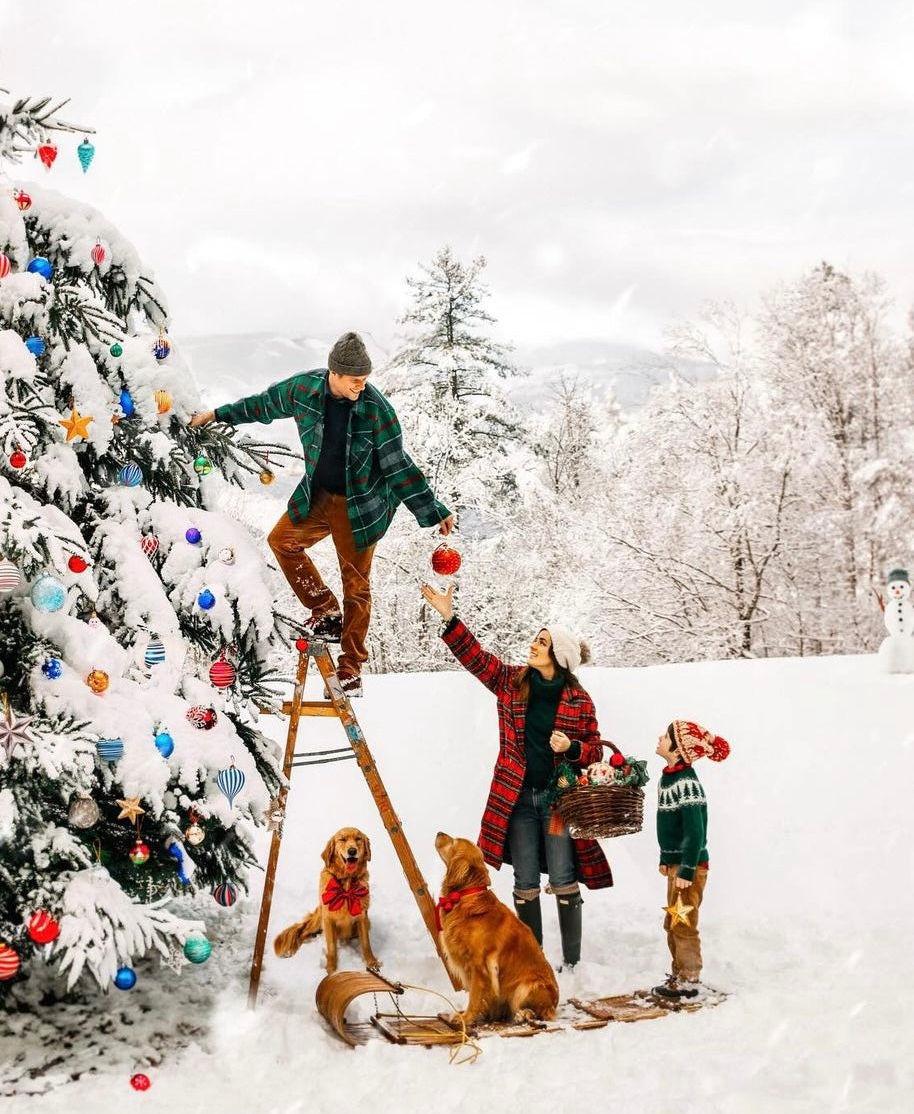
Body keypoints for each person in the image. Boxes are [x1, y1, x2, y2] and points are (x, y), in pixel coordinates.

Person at [191, 332, 454, 693]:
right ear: (335, 373)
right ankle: (325, 611)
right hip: (317, 496)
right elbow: (263, 405)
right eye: (355, 380)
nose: (361, 386)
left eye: (365, 380)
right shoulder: (305, 390)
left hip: (361, 507)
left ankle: (351, 667)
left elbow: (398, 465)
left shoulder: (377, 411)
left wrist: (432, 509)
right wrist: (219, 414)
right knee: (281, 541)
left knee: (356, 587)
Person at [421, 581, 611, 971]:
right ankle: (533, 958)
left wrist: (571, 750)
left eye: (542, 642)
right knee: (524, 880)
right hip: (517, 799)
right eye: (537, 640)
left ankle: (572, 964)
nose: (534, 645)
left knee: (562, 876)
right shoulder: (512, 681)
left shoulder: (579, 700)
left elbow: (594, 749)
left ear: (558, 656)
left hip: (559, 803)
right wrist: (448, 615)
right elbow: (478, 660)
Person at [653, 718, 730, 1000]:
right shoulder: (670, 777)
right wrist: (666, 857)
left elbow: (695, 832)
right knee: (672, 921)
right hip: (677, 865)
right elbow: (668, 827)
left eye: (666, 735)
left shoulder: (686, 783)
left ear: (678, 749)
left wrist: (686, 868)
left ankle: (689, 979)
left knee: (684, 922)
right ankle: (678, 973)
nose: (660, 738)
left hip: (691, 867)